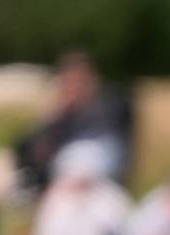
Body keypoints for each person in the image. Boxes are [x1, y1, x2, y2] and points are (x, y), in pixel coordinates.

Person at [13, 52, 133, 193]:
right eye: (69, 81)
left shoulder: (109, 107)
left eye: (78, 80)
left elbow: (110, 152)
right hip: (58, 180)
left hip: (95, 182)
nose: (74, 86)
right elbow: (25, 149)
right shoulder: (61, 115)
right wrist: (52, 116)